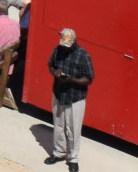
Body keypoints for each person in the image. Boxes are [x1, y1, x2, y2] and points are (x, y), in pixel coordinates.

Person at [46, 27, 93, 172]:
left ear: (74, 42)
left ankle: (73, 158)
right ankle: (59, 152)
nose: (65, 48)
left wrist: (71, 79)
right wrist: (56, 72)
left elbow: (89, 79)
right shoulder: (57, 50)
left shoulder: (83, 56)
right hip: (59, 93)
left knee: (73, 129)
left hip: (75, 97)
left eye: (68, 45)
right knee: (58, 125)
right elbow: (50, 66)